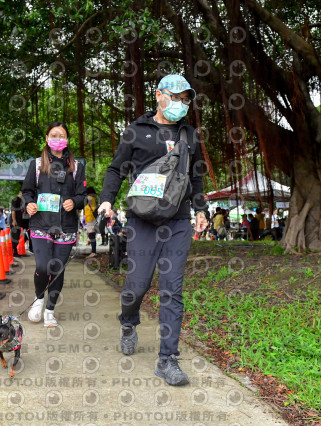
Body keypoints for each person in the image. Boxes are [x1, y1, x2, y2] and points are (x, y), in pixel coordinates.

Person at [97, 74, 208, 386]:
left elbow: (195, 176)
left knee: (172, 289)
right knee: (137, 285)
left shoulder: (190, 135)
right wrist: (106, 201)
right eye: (175, 97)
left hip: (177, 221)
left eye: (186, 99)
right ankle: (129, 321)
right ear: (159, 95)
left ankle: (167, 359)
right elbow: (116, 168)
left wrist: (200, 209)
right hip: (142, 219)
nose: (181, 103)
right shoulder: (137, 130)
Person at [22, 122, 86, 327]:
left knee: (57, 269)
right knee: (43, 265)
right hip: (40, 223)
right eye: (53, 134)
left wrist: (74, 202)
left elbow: (83, 196)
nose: (57, 138)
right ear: (47, 138)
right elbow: (27, 191)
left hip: (66, 226)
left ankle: (50, 310)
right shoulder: (36, 164)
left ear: (67, 140)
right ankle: (39, 299)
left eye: (62, 135)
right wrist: (29, 203)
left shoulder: (77, 167)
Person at [11, 189, 28, 257]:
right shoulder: (16, 200)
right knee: (15, 237)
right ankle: (14, 252)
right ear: (20, 193)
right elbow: (13, 211)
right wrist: (14, 220)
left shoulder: (21, 201)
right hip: (15, 221)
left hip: (19, 220)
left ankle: (16, 251)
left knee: (18, 236)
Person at [84, 187, 99, 258]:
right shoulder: (94, 198)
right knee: (92, 235)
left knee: (92, 236)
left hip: (90, 219)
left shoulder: (89, 198)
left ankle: (93, 252)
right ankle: (93, 251)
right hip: (93, 219)